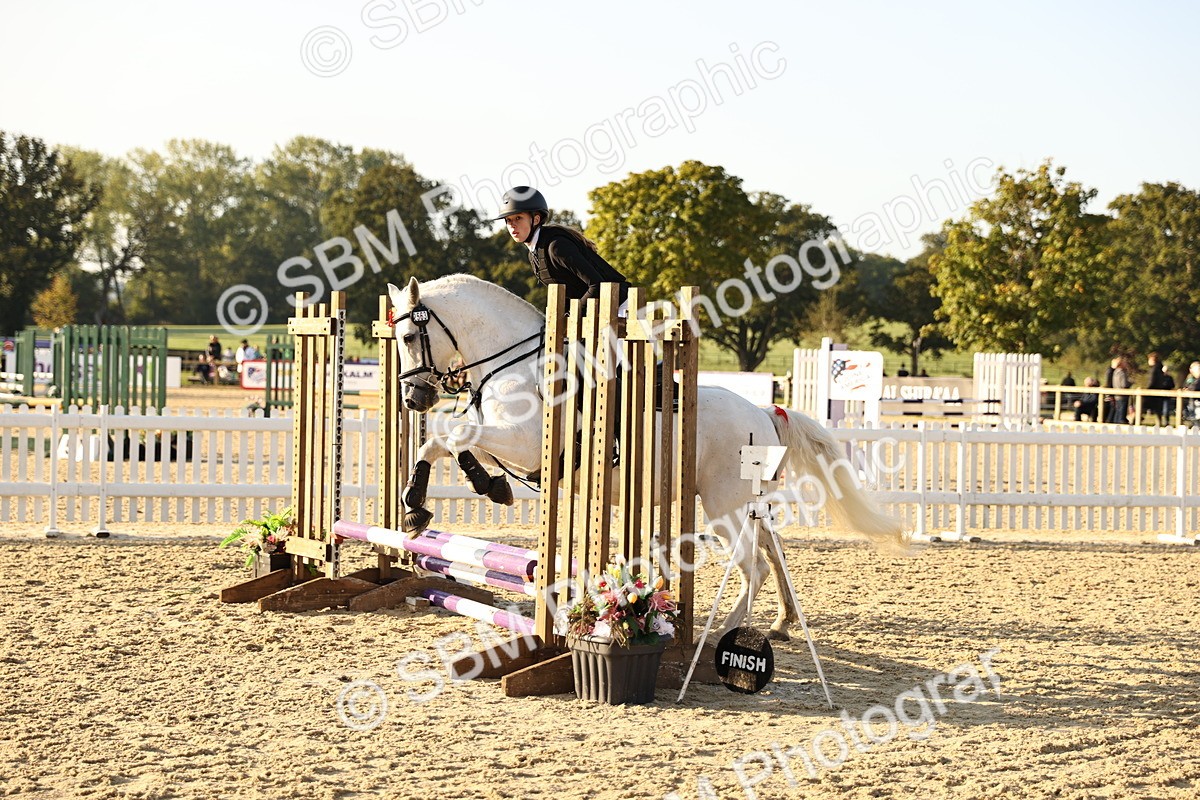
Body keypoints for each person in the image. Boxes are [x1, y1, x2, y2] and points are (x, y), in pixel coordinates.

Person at [494, 186, 631, 314]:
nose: (512, 225)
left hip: (621, 305)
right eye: (508, 220)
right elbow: (567, 293)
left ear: (536, 219)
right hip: (598, 310)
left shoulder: (557, 247)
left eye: (518, 218)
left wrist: (571, 316)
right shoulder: (534, 253)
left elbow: (597, 285)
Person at [1145, 352, 1174, 425]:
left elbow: (1152, 381)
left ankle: (1135, 421)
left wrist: (1147, 389)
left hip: (1153, 392)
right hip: (1159, 392)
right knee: (1158, 409)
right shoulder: (1159, 369)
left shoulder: (1154, 370)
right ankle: (1159, 422)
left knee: (1142, 406)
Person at [1107, 356, 1130, 424]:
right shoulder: (1122, 373)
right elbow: (1124, 384)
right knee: (1121, 412)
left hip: (1116, 394)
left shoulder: (1115, 372)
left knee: (1117, 411)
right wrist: (1130, 383)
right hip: (1122, 394)